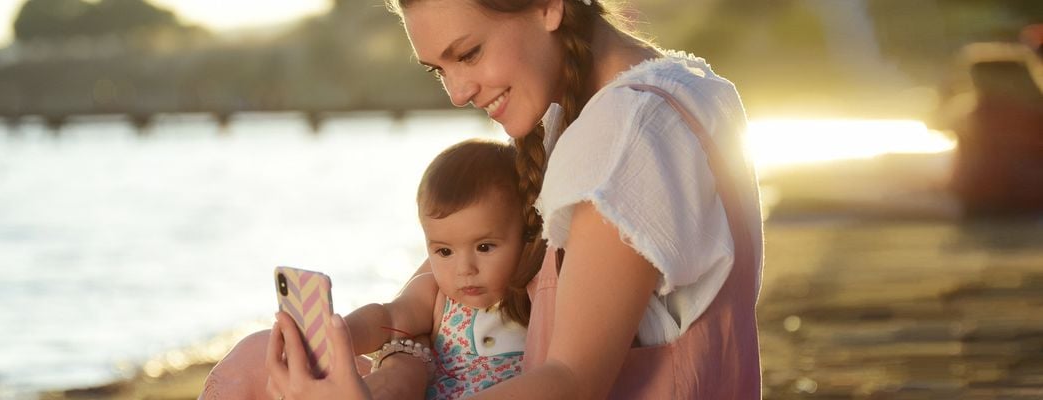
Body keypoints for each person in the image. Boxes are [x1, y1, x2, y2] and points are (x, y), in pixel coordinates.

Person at [202, 0, 764, 398]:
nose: (456, 92)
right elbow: (434, 286)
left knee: (255, 372)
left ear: (548, 6)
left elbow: (572, 381)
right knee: (266, 360)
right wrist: (394, 349)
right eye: (437, 69)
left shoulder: (621, 136)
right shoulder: (681, 85)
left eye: (467, 53)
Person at [342, 138, 539, 399]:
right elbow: (386, 320)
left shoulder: (536, 295)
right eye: (444, 251)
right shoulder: (434, 294)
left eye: (484, 247)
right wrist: (340, 337)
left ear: (525, 234)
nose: (465, 269)